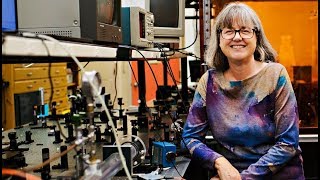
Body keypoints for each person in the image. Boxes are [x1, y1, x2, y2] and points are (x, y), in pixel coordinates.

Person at [181, 2, 305, 180]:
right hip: (228, 175)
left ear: (257, 37)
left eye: (245, 30)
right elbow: (189, 138)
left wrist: (243, 178)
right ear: (219, 38)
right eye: (229, 31)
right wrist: (219, 162)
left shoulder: (276, 75)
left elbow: (288, 144)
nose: (237, 37)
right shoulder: (209, 81)